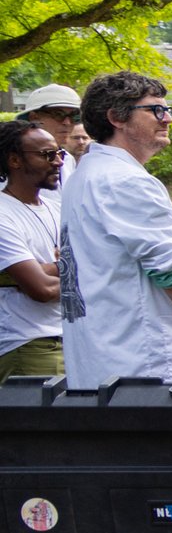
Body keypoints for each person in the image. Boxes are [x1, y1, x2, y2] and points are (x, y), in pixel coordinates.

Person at [59, 72, 172, 385]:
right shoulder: (127, 181)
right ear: (116, 117)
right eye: (155, 110)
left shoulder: (84, 177)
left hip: (102, 359)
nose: (167, 119)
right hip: (145, 363)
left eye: (168, 110)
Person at [0, 120, 67, 377]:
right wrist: (80, 275)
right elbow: (42, 289)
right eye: (47, 155)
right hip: (29, 346)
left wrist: (49, 268)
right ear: (15, 160)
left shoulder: (57, 209)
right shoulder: (4, 214)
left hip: (68, 338)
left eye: (59, 153)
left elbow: (98, 263)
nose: (58, 161)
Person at [14, 85, 88, 186]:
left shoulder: (67, 159)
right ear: (34, 118)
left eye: (74, 116)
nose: (67, 122)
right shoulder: (17, 160)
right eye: (58, 115)